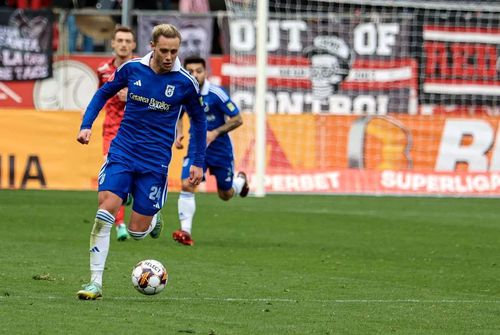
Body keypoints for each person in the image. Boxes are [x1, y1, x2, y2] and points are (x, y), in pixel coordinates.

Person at [76, 23, 207, 300]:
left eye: (174, 51)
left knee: (136, 232)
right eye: (164, 50)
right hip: (123, 151)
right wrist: (86, 124)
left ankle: (153, 216)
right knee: (105, 210)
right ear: (152, 46)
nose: (169, 56)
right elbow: (104, 92)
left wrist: (197, 160)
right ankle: (95, 283)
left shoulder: (185, 82)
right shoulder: (132, 69)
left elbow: (198, 119)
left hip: (155, 161)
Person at [172, 56, 249, 246]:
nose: (194, 75)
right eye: (190, 71)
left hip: (220, 149)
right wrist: (179, 134)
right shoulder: (184, 92)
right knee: (188, 184)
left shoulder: (216, 93)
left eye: (198, 71)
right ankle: (185, 232)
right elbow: (179, 115)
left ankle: (240, 182)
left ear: (206, 73)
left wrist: (214, 133)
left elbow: (237, 118)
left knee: (225, 194)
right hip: (196, 147)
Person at [95, 26, 136, 241]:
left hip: (137, 130)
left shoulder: (142, 69)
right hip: (111, 131)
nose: (123, 44)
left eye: (127, 41)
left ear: (134, 45)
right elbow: (100, 96)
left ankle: (146, 212)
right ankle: (119, 224)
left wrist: (133, 95)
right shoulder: (102, 70)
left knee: (133, 176)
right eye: (119, 40)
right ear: (112, 43)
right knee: (113, 178)